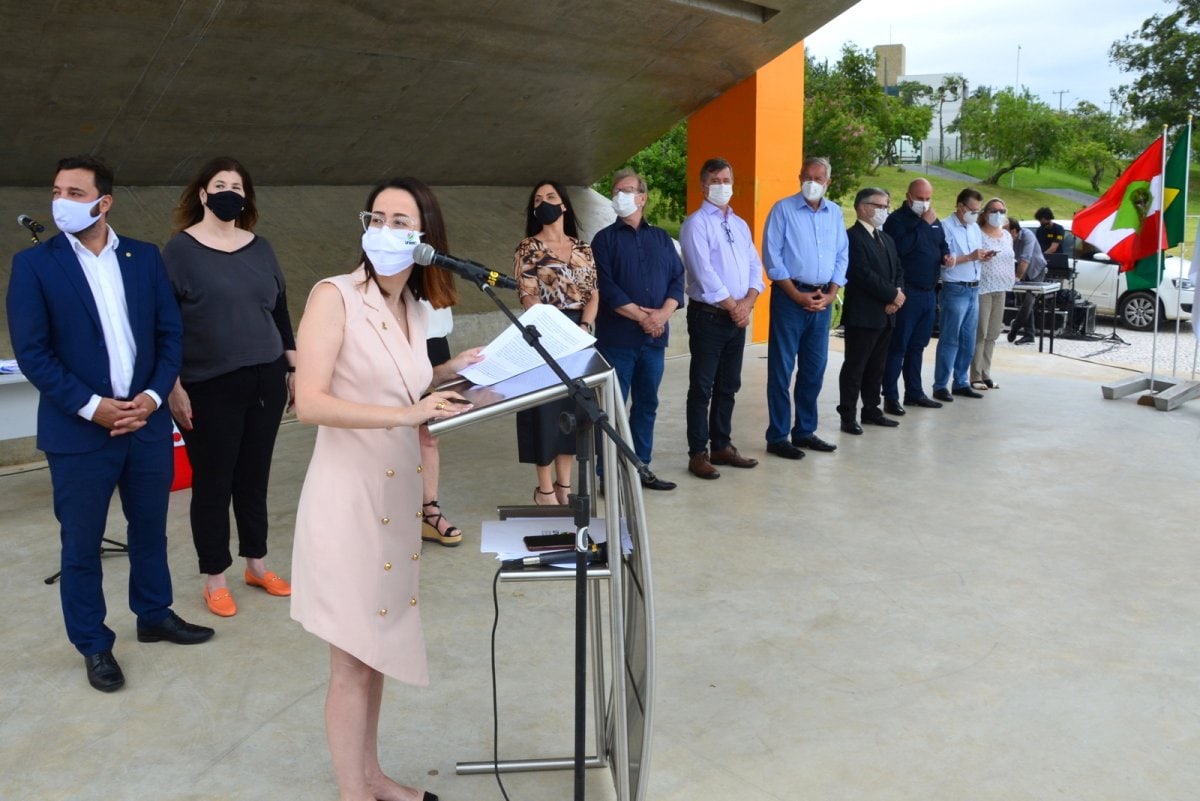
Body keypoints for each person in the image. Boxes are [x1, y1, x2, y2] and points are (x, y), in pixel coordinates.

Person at [291, 176, 482, 801]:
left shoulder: (417, 308)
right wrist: (408, 415)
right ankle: (354, 793)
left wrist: (459, 367)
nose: (385, 230)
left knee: (375, 648)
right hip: (348, 500)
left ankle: (371, 776)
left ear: (426, 239)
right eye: (377, 217)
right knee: (350, 657)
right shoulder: (334, 295)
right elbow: (310, 403)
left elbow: (405, 379)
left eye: (401, 221)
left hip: (394, 498)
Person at [6, 155, 214, 693]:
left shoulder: (143, 258)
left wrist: (150, 398)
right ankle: (94, 644)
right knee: (80, 544)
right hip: (79, 431)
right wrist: (91, 406)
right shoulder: (35, 266)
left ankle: (153, 614)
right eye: (57, 191)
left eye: (75, 192)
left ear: (105, 202)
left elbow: (170, 336)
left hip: (144, 424)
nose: (62, 202)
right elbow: (33, 351)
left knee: (150, 529)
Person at [163, 157, 296, 618]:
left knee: (254, 476)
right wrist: (172, 385)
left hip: (266, 376)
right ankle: (214, 576)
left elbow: (279, 310)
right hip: (207, 383)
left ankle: (257, 564)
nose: (228, 193)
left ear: (246, 196)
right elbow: (164, 324)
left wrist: (293, 366)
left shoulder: (260, 247)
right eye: (219, 185)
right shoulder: (180, 251)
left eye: (237, 186)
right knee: (214, 483)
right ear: (202, 194)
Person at [592, 168, 685, 491]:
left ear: (642, 198)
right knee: (613, 409)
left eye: (627, 190)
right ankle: (607, 475)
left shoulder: (661, 238)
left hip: (654, 340)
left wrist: (661, 315)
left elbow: (677, 279)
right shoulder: (603, 240)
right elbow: (607, 288)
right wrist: (643, 317)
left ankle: (640, 468)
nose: (620, 195)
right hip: (618, 339)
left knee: (647, 404)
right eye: (616, 190)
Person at [512, 180, 598, 502]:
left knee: (571, 408)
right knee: (545, 411)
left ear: (563, 205)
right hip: (544, 333)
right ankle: (544, 489)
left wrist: (586, 326)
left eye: (551, 196)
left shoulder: (583, 248)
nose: (545, 202)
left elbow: (593, 294)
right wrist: (553, 329)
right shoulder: (528, 248)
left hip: (579, 334)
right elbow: (528, 295)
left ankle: (565, 486)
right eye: (538, 199)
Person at [678, 157, 763, 479]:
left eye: (726, 180)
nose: (722, 186)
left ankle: (722, 445)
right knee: (702, 387)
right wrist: (734, 306)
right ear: (703, 185)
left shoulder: (739, 225)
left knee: (729, 385)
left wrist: (748, 302)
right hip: (709, 317)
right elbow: (704, 273)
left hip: (736, 318)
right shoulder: (696, 224)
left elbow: (756, 267)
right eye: (715, 181)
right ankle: (698, 453)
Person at [762, 156, 849, 459]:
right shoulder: (783, 209)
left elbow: (841, 256)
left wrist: (831, 293)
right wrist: (796, 296)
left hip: (822, 299)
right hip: (790, 297)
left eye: (818, 178)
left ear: (828, 182)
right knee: (781, 368)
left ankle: (805, 431)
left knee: (814, 368)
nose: (812, 183)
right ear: (799, 177)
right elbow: (772, 258)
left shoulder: (835, 213)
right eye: (806, 177)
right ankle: (777, 436)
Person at [880, 178, 953, 415]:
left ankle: (914, 392)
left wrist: (946, 256)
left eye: (927, 198)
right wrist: (922, 224)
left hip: (929, 291)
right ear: (909, 196)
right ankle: (890, 396)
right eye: (920, 198)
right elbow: (899, 249)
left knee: (918, 346)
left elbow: (941, 243)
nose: (924, 203)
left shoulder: (933, 220)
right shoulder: (896, 221)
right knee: (898, 346)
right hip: (907, 291)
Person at [838, 188, 905, 434]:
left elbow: (898, 269)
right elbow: (861, 273)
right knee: (855, 367)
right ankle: (848, 415)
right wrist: (891, 295)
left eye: (887, 205)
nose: (885, 210)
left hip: (887, 314)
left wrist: (897, 296)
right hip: (863, 314)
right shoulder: (852, 237)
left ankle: (871, 410)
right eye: (881, 206)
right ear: (864, 207)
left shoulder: (886, 238)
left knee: (877, 366)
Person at [932, 187, 991, 403]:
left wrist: (982, 257)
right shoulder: (945, 227)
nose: (976, 214)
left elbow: (975, 254)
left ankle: (961, 381)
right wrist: (969, 257)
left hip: (974, 286)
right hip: (955, 287)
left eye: (978, 210)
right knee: (950, 337)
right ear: (960, 207)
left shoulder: (974, 227)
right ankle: (940, 384)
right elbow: (945, 261)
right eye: (973, 210)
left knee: (968, 338)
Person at [418, 300, 463, 546]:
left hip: (433, 334)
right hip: (394, 336)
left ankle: (430, 511)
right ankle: (392, 516)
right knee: (392, 429)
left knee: (430, 431)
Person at [969, 198, 1016, 390]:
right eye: (994, 210)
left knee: (993, 333)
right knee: (980, 332)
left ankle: (986, 372)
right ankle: (975, 375)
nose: (998, 214)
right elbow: (972, 255)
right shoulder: (977, 233)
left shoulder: (1006, 235)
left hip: (1001, 287)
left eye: (1002, 210)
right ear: (985, 213)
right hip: (983, 287)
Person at [1006, 216, 1047, 345]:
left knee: (1028, 303)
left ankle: (1015, 327)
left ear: (1014, 231)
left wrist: (1017, 277)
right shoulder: (1007, 239)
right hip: (1022, 270)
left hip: (1036, 270)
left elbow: (1025, 258)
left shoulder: (1027, 235)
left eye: (1005, 230)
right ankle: (1030, 334)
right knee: (1024, 304)